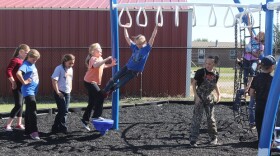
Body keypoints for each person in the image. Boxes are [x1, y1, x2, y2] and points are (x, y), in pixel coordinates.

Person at [101, 23, 160, 97]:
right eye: (137, 44)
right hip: (127, 67)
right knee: (114, 78)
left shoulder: (146, 49)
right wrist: (125, 28)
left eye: (139, 44)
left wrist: (156, 26)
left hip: (134, 72)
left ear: (144, 43)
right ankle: (104, 91)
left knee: (121, 83)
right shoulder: (135, 47)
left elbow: (153, 36)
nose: (137, 46)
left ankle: (111, 90)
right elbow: (127, 37)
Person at [81, 43, 117, 131]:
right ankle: (96, 116)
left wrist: (111, 65)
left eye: (101, 48)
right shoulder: (93, 58)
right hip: (89, 82)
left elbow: (102, 66)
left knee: (92, 102)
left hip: (92, 82)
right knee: (100, 96)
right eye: (98, 49)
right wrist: (107, 58)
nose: (101, 50)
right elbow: (96, 65)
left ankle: (84, 120)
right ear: (93, 52)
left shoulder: (100, 58)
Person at [189, 56, 221, 147]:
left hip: (209, 97)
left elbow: (215, 85)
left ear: (214, 64)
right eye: (206, 63)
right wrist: (196, 96)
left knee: (211, 118)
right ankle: (193, 140)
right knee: (197, 118)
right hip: (199, 96)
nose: (207, 65)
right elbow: (193, 83)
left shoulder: (216, 74)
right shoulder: (200, 72)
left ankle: (214, 138)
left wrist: (219, 94)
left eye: (210, 64)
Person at [4, 44, 30, 131]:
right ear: (21, 51)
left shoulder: (24, 61)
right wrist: (13, 82)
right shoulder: (15, 60)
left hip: (23, 85)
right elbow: (8, 71)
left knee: (21, 105)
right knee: (18, 104)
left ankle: (19, 124)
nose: (28, 54)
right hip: (16, 85)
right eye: (26, 53)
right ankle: (8, 125)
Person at [250, 55, 276, 140]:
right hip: (270, 105)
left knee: (259, 123)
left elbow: (251, 92)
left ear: (261, 66)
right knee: (271, 123)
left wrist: (257, 96)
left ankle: (260, 140)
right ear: (272, 67)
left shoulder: (256, 78)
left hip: (259, 105)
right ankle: (270, 141)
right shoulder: (273, 79)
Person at [16, 49, 41, 140]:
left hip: (32, 90)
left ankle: (27, 131)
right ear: (29, 57)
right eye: (34, 59)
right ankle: (34, 131)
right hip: (28, 91)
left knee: (29, 111)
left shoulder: (31, 64)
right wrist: (24, 82)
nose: (35, 61)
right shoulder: (25, 64)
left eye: (36, 60)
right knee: (33, 110)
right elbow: (18, 74)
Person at [51, 54, 75, 134]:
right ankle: (55, 127)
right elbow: (54, 80)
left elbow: (70, 79)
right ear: (65, 61)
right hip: (60, 92)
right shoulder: (59, 68)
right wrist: (58, 92)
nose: (71, 65)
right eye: (70, 63)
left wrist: (70, 89)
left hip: (67, 92)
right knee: (62, 110)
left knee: (65, 111)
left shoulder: (70, 69)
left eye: (72, 63)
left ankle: (61, 127)